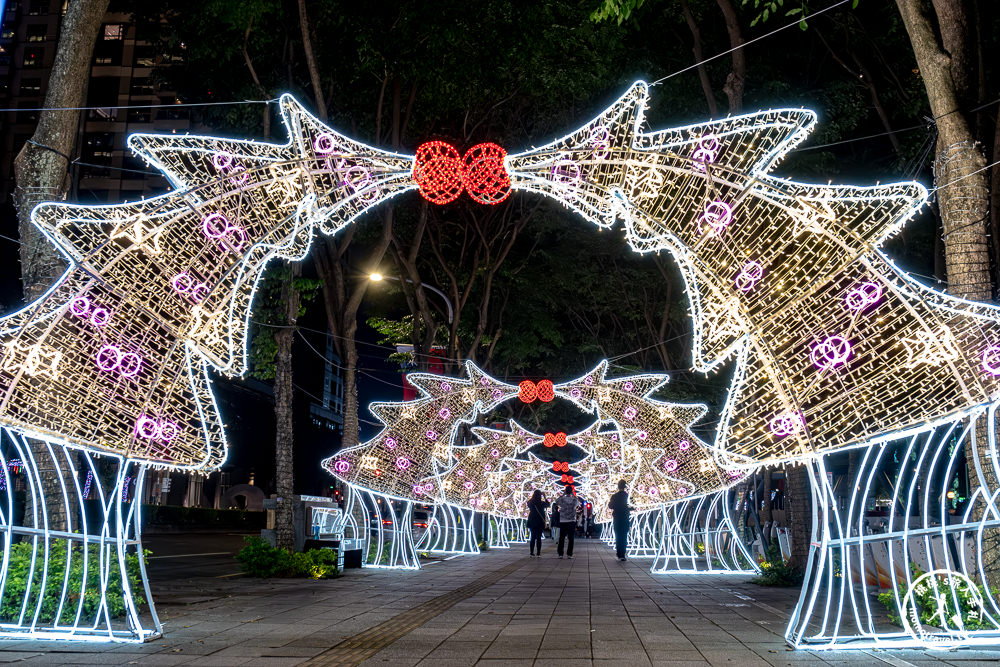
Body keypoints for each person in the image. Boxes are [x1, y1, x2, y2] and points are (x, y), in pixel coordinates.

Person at [554, 485, 581, 559]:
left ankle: (560, 554)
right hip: (571, 521)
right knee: (571, 538)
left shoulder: (562, 499)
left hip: (563, 520)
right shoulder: (574, 500)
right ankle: (569, 554)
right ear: (571, 491)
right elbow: (579, 502)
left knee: (561, 538)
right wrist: (574, 495)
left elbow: (556, 501)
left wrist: (563, 494)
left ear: (565, 491)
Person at [609, 479, 632, 561]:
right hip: (625, 518)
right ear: (625, 486)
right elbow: (632, 506)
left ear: (618, 487)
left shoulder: (614, 496)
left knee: (618, 535)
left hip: (617, 518)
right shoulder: (628, 496)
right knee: (624, 536)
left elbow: (610, 506)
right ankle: (623, 554)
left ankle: (619, 554)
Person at [526, 490, 549, 557]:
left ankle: (531, 552)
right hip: (540, 521)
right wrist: (544, 496)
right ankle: (538, 553)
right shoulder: (542, 503)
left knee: (532, 537)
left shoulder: (531, 502)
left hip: (532, 521)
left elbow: (528, 502)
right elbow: (548, 504)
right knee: (539, 537)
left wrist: (533, 497)